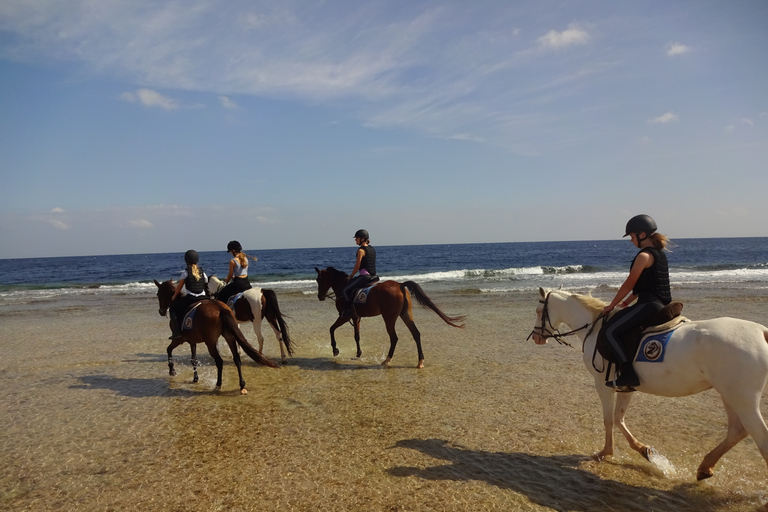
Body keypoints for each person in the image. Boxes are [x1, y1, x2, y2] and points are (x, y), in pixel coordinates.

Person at [602, 214, 672, 390]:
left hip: (649, 305)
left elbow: (630, 283)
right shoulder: (660, 255)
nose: (631, 241)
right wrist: (625, 303)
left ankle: (628, 374)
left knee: (609, 331)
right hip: (660, 303)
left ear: (642, 235)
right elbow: (645, 285)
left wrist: (611, 305)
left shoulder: (644, 256)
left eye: (632, 237)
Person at [169, 250, 209, 339]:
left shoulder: (185, 272)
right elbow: (206, 282)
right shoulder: (202, 272)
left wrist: (174, 297)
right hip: (203, 296)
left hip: (191, 297)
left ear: (186, 260)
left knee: (173, 310)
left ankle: (177, 332)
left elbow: (179, 287)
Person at [341, 229, 378, 318]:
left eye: (356, 238)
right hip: (374, 277)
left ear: (362, 239)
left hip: (365, 277)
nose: (355, 240)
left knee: (344, 290)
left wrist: (351, 276)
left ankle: (349, 310)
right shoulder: (372, 249)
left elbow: (357, 266)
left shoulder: (361, 250)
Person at [215, 240, 257, 305]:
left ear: (233, 251)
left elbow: (230, 274)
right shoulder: (246, 259)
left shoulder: (232, 261)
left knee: (220, 295)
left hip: (238, 284)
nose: (230, 253)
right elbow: (243, 272)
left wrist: (226, 281)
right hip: (246, 282)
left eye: (230, 251)